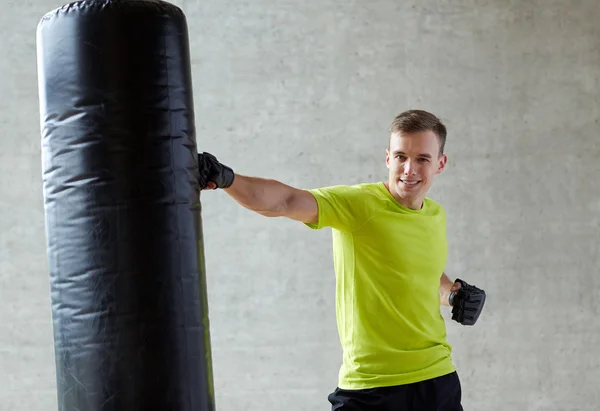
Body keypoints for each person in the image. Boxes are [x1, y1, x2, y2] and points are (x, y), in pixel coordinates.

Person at [197, 109, 486, 411]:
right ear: (388, 158)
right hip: (370, 387)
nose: (409, 169)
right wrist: (227, 179)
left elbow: (423, 275)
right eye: (401, 157)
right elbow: (286, 200)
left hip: (436, 381)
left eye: (422, 159)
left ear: (440, 163)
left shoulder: (435, 215)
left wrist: (453, 294)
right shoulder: (360, 205)